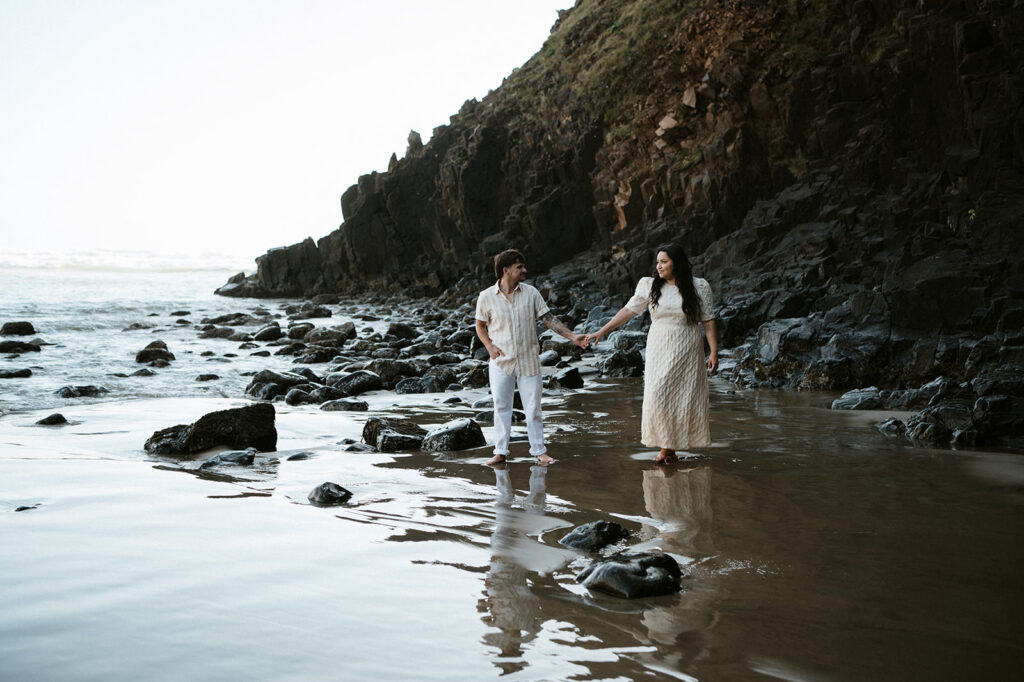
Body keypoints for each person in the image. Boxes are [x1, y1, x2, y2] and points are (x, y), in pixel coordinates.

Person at [586, 244, 718, 464]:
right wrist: (603, 330)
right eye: (657, 262)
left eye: (664, 261)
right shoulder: (649, 285)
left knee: (682, 396)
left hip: (687, 345)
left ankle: (668, 449)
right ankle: (668, 446)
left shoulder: (699, 286)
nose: (659, 266)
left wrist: (713, 351)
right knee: (658, 393)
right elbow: (629, 310)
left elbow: (708, 320)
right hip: (659, 344)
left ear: (677, 262)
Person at [475, 249, 588, 466]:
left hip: (529, 361)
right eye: (520, 267)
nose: (524, 270)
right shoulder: (486, 297)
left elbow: (549, 319)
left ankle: (539, 451)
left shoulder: (531, 293)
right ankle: (500, 452)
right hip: (501, 362)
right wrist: (489, 346)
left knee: (533, 407)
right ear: (506, 270)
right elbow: (480, 326)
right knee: (501, 407)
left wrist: (573, 337)